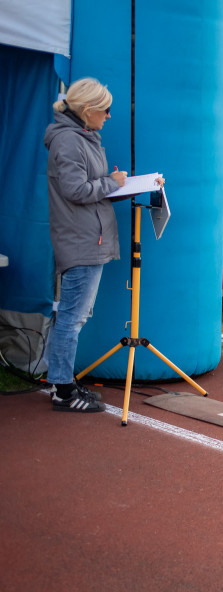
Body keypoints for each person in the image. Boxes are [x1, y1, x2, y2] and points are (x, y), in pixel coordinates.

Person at [43, 78, 127, 412]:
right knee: (72, 317)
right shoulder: (69, 141)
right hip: (80, 239)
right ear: (88, 110)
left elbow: (84, 184)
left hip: (87, 237)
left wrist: (110, 183)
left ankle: (62, 382)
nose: (108, 116)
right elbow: (76, 190)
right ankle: (62, 390)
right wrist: (112, 183)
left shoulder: (82, 137)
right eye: (105, 110)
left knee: (75, 315)